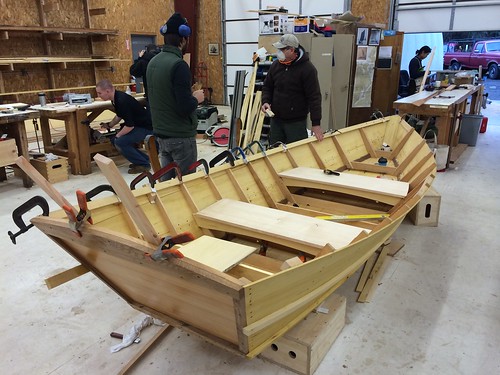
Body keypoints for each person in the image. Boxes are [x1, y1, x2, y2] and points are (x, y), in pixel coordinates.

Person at [146, 12, 204, 181]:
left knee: (166, 185)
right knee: (185, 184)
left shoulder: (152, 63)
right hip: (180, 136)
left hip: (161, 134)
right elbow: (184, 107)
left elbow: (154, 97)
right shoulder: (179, 65)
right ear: (183, 39)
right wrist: (196, 98)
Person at [261, 34, 324, 146]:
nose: (278, 52)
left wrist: (316, 123)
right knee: (274, 151)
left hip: (296, 123)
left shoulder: (307, 69)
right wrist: (265, 101)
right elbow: (267, 86)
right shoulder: (275, 65)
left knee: (298, 153)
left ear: (291, 50)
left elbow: (314, 97)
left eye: (282, 49)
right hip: (276, 120)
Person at [95, 79, 153, 174]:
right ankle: (143, 159)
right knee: (116, 140)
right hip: (138, 126)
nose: (98, 96)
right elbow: (119, 115)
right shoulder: (116, 98)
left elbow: (130, 126)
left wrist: (118, 135)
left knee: (119, 142)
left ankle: (144, 164)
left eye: (99, 93)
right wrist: (109, 125)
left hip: (146, 128)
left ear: (107, 91)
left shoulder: (122, 100)